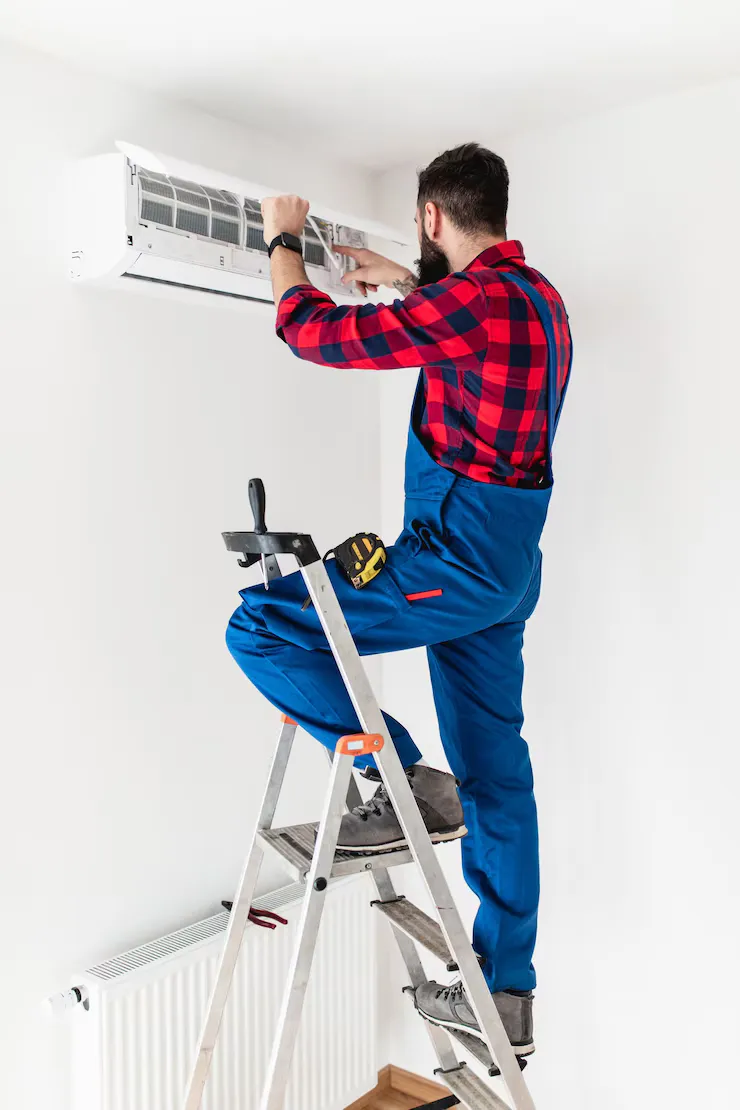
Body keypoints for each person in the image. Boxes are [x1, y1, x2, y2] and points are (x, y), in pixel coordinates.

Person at [226, 143, 572, 1057]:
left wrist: (284, 241)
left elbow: (309, 332)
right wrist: (406, 284)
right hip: (506, 567)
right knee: (500, 777)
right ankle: (507, 993)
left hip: (451, 558)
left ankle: (406, 780)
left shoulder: (471, 303)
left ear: (431, 216)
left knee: (259, 626)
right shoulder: (538, 297)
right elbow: (461, 339)